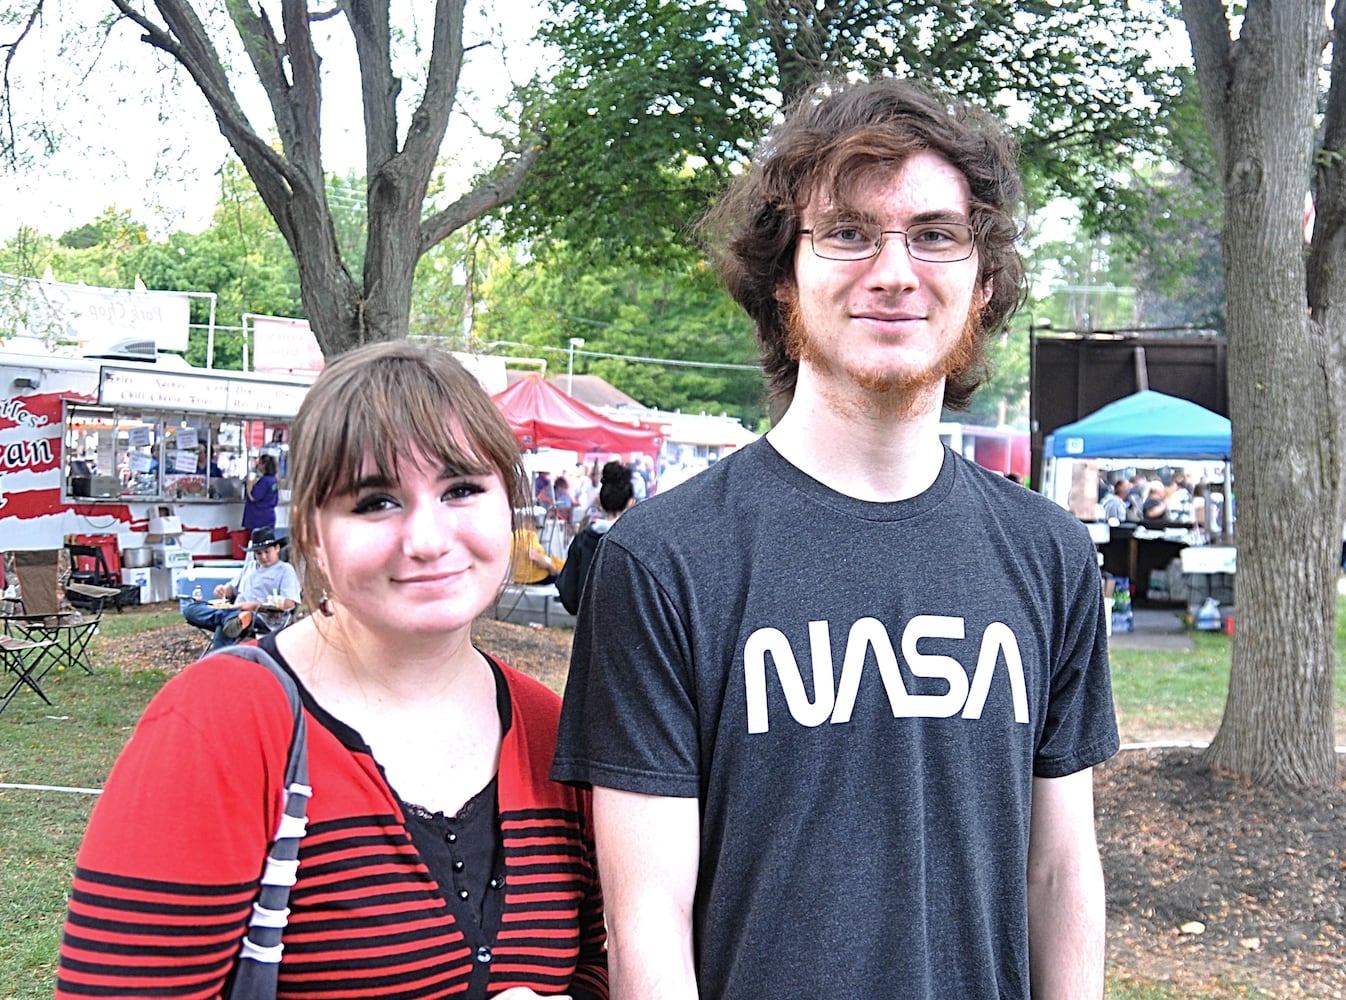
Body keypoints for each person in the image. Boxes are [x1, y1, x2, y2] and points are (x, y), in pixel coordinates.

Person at [552, 76, 1117, 1000]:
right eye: (848, 232)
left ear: (980, 279)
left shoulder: (1048, 555)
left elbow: (1058, 872)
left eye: (935, 234)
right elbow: (645, 921)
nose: (895, 271)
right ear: (783, 278)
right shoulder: (661, 564)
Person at [58, 342, 608, 999]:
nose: (428, 540)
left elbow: (601, 962)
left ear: (507, 506)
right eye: (376, 501)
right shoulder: (223, 725)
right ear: (312, 533)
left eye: (462, 489)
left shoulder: (551, 733)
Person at [180, 525, 301, 649]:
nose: (263, 557)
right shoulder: (250, 567)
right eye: (259, 553)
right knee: (191, 609)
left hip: (260, 617)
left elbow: (289, 603)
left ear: (277, 548)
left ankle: (230, 631)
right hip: (235, 612)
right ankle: (231, 620)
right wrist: (224, 591)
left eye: (267, 552)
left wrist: (253, 606)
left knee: (228, 624)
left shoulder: (285, 570)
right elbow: (232, 589)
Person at [555, 461, 635, 615]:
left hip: (588, 630)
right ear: (631, 502)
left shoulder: (583, 539)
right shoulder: (636, 543)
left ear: (600, 501)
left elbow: (568, 592)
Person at [242, 453, 281, 531]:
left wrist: (249, 486)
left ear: (264, 465)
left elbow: (254, 497)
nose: (257, 465)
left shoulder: (264, 481)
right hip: (269, 516)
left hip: (258, 518)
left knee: (257, 541)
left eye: (259, 463)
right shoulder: (274, 480)